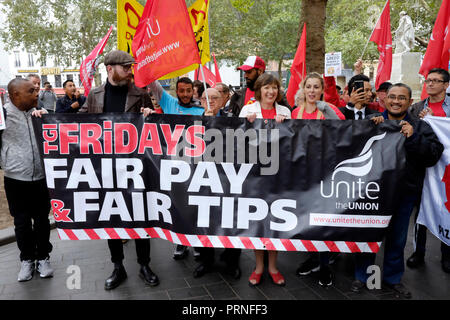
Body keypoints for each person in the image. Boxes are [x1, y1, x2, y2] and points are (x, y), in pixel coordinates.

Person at [350, 83, 444, 298]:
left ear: (409, 102)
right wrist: (367, 129)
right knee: (367, 234)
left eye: (401, 98)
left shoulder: (420, 127)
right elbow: (350, 148)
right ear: (384, 99)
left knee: (398, 239)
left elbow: (432, 155)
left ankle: (393, 279)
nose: (395, 101)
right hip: (371, 192)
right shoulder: (372, 121)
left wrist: (413, 137)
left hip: (404, 194)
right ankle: (361, 276)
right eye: (392, 97)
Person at [79, 50, 159, 290]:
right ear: (109, 68)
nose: (129, 70)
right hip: (105, 168)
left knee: (140, 216)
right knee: (111, 217)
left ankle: (144, 264)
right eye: (125, 67)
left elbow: (153, 130)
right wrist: (47, 119)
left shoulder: (141, 94)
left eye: (130, 66)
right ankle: (118, 267)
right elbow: (77, 121)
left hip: (135, 168)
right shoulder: (94, 95)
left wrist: (151, 115)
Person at [239, 73, 291, 287]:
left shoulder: (285, 111)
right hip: (255, 176)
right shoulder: (247, 111)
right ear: (259, 90)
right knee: (258, 221)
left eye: (275, 88)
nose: (271, 92)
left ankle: (273, 266)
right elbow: (237, 142)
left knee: (276, 221)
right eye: (267, 88)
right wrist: (246, 125)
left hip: (279, 175)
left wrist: (286, 125)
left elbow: (295, 142)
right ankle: (259, 266)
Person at [0, 78, 53, 282]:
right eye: (31, 91)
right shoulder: (3, 115)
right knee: (21, 222)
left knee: (41, 220)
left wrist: (48, 119)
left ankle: (44, 257)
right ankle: (26, 260)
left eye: (36, 90)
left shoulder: (40, 112)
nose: (36, 94)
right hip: (15, 179)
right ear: (15, 95)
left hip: (40, 178)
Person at [292, 72, 341, 287]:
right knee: (308, 221)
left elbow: (343, 129)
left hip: (325, 174)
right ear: (303, 89)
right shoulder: (295, 113)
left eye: (316, 87)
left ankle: (325, 265)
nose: (311, 91)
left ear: (322, 90)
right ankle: (313, 257)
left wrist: (327, 109)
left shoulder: (329, 110)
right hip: (302, 175)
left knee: (323, 221)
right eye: (308, 86)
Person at [147, 78, 203, 259]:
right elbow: (153, 84)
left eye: (189, 91)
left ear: (193, 91)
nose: (185, 94)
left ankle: (196, 243)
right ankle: (181, 243)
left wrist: (211, 117)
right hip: (174, 165)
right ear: (176, 91)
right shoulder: (169, 102)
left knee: (194, 206)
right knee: (178, 205)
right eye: (182, 91)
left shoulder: (201, 109)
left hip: (197, 165)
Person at [191, 88, 241, 279]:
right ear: (200, 101)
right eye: (206, 98)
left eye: (214, 98)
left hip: (228, 180)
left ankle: (232, 261)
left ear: (223, 100)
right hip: (203, 180)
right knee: (203, 221)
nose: (210, 101)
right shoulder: (193, 121)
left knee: (230, 221)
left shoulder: (233, 119)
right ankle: (206, 260)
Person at [407, 68, 450, 273]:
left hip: (446, 169)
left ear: (446, 85)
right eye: (428, 80)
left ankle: (447, 253)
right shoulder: (416, 108)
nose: (430, 84)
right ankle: (418, 252)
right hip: (423, 167)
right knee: (420, 209)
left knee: (446, 210)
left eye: (435, 80)